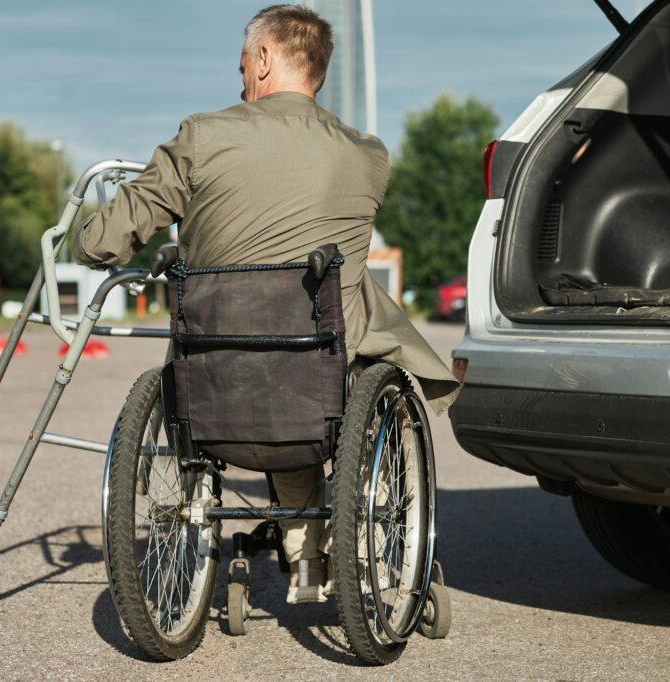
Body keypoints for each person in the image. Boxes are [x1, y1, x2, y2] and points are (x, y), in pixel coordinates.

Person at [72, 4, 459, 604]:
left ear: (264, 58)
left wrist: (88, 240)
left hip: (211, 380)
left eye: (243, 66)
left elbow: (101, 240)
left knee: (267, 359)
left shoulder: (202, 136)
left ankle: (290, 545)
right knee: (319, 344)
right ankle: (312, 557)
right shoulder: (367, 156)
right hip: (317, 381)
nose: (240, 81)